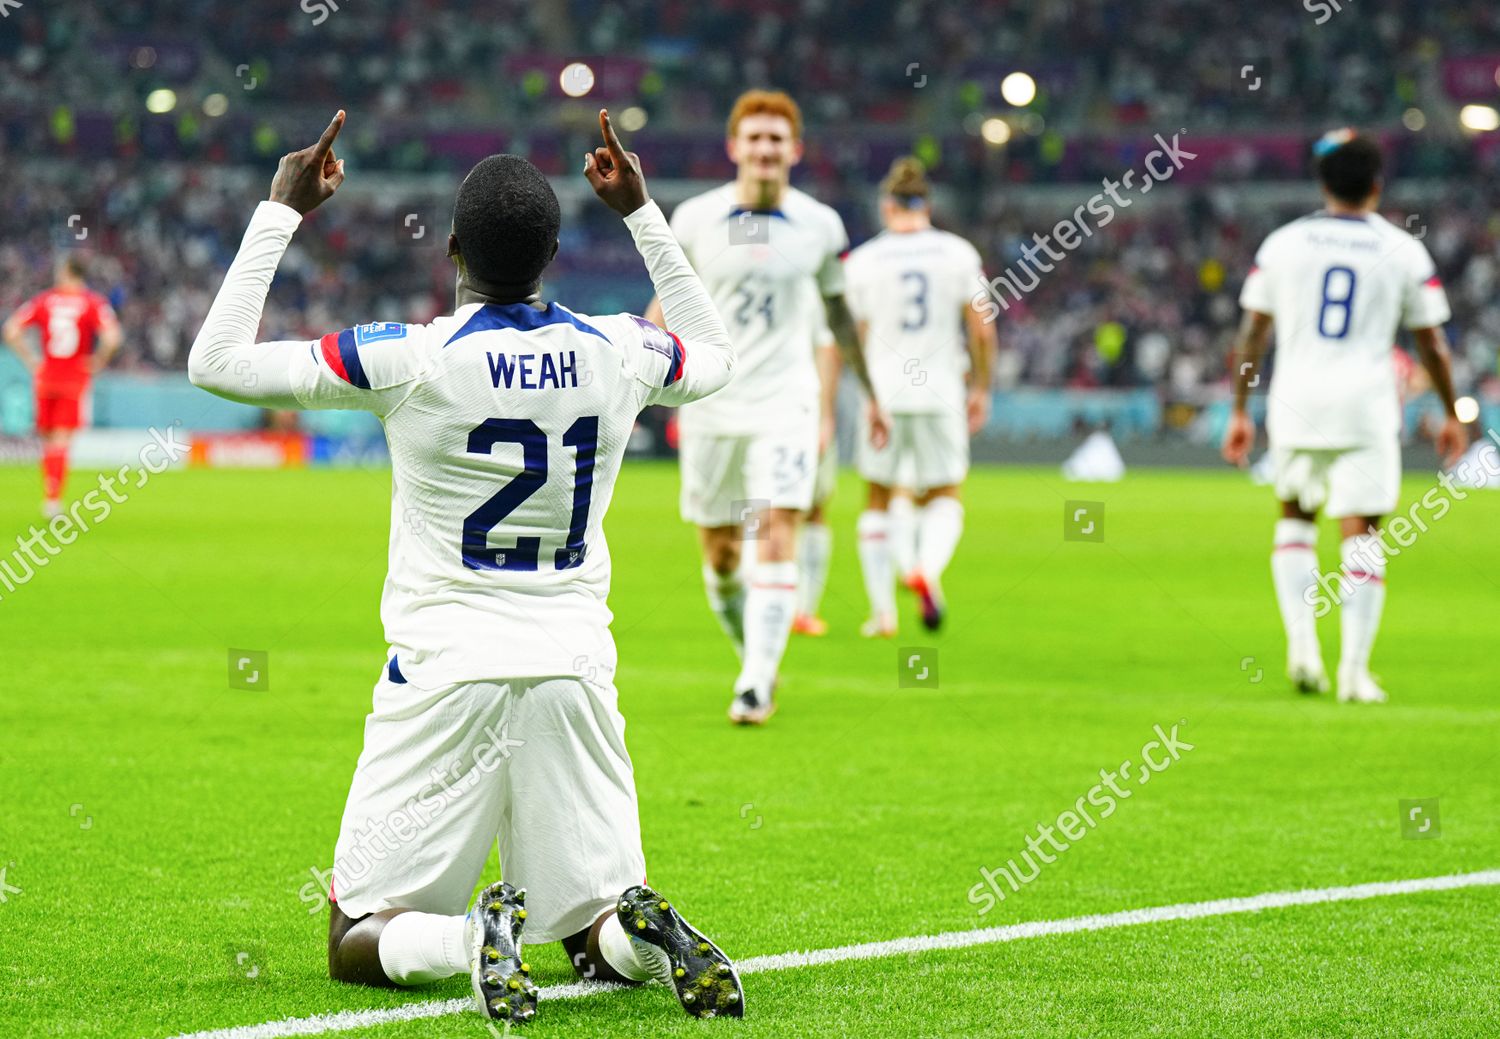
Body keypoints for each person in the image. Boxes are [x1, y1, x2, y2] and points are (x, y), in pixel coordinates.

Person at [188, 110, 745, 1023]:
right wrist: (643, 214)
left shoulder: (407, 358)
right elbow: (719, 357)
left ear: (451, 248)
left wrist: (281, 210)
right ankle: (636, 935)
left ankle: (467, 937)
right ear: (556, 250)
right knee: (589, 926)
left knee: (357, 933)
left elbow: (213, 362)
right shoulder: (623, 349)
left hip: (446, 671)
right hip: (574, 667)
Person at [644, 89, 888, 724]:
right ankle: (756, 656)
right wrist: (635, 381)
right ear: (733, 147)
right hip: (713, 404)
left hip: (787, 403)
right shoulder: (694, 220)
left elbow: (838, 317)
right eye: (754, 137)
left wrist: (874, 393)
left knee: (776, 532)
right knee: (724, 554)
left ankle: (754, 684)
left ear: (796, 150)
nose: (765, 148)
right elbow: (664, 309)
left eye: (777, 139)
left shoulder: (821, 225)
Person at [1222, 129, 1468, 704]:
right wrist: (1452, 411)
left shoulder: (1284, 243)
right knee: (1362, 537)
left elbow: (1252, 331)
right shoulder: (1404, 249)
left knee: (1295, 519)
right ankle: (1355, 673)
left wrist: (1239, 408)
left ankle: (1303, 648)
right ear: (1377, 186)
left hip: (1296, 400)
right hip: (1365, 405)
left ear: (1322, 183)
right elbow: (1431, 342)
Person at [843, 158, 996, 635]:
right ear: (928, 205)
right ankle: (926, 571)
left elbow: (856, 337)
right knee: (944, 492)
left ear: (887, 207)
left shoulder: (864, 260)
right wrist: (982, 388)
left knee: (878, 497)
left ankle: (882, 613)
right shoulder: (958, 253)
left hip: (886, 392)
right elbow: (982, 329)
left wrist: (867, 396)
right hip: (942, 389)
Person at [3, 256, 122, 517]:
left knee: (48, 441)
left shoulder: (44, 300)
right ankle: (53, 500)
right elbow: (113, 336)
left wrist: (31, 360)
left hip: (45, 377)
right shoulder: (93, 302)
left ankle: (50, 493)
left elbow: (11, 330)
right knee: (61, 440)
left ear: (67, 272)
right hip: (73, 378)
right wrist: (99, 360)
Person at [792, 324, 839, 636]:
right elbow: (828, 352)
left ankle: (800, 608)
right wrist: (826, 415)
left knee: (759, 511)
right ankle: (802, 609)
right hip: (800, 413)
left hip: (766, 413)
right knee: (812, 511)